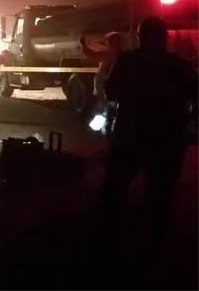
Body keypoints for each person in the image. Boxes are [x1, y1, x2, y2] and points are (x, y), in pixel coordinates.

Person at [97, 16, 199, 259]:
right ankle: (153, 244)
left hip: (130, 134)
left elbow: (110, 91)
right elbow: (196, 93)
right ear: (165, 38)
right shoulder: (178, 65)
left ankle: (109, 241)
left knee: (116, 187)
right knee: (160, 191)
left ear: (140, 37)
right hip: (168, 137)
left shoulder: (127, 62)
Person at [80, 32, 125, 139]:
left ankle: (105, 138)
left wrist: (83, 44)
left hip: (106, 94)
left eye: (108, 42)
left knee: (104, 116)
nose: (107, 44)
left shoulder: (109, 55)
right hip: (116, 94)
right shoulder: (124, 56)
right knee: (111, 116)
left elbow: (91, 55)